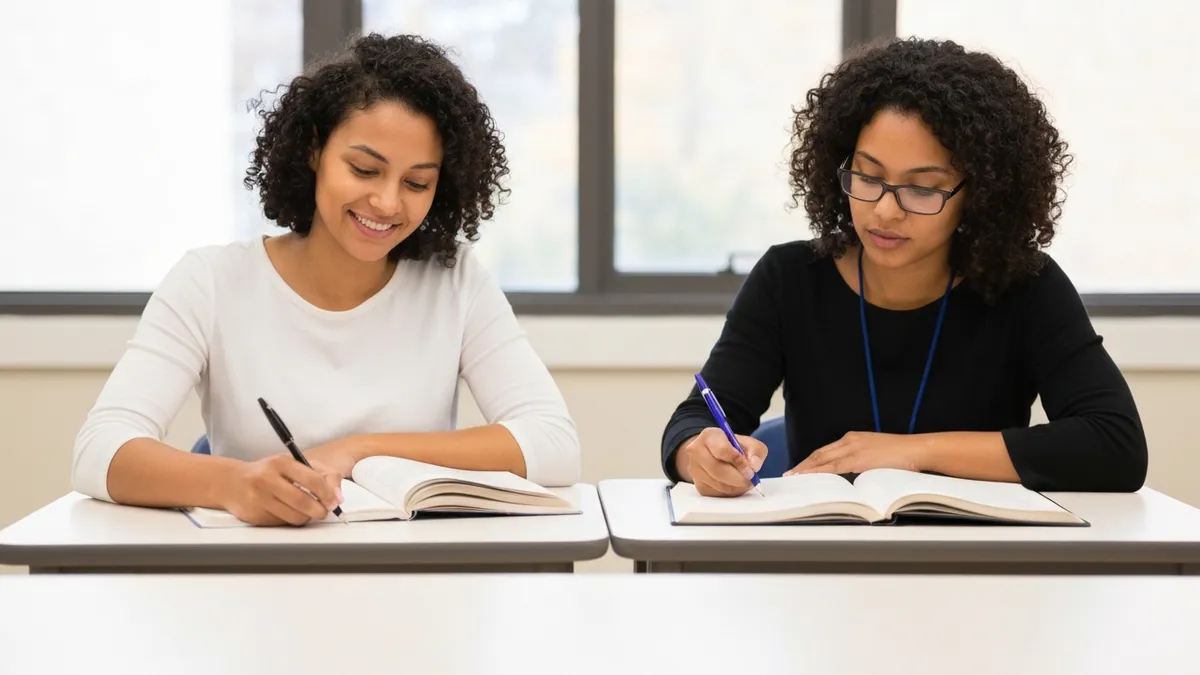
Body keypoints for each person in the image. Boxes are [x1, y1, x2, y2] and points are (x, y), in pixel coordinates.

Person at [72, 33, 581, 525]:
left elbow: (553, 444)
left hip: (416, 582)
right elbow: (101, 449)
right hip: (254, 582)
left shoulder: (456, 282)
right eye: (363, 170)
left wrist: (356, 451)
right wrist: (232, 484)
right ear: (314, 149)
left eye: (416, 182)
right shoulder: (211, 282)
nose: (387, 203)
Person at [661, 37, 1147, 498]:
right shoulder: (789, 278)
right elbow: (691, 422)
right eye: (868, 177)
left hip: (978, 566)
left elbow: (1114, 444)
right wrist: (697, 453)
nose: (884, 211)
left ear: (978, 194)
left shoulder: (1026, 286)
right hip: (822, 564)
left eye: (922, 188)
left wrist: (911, 452)